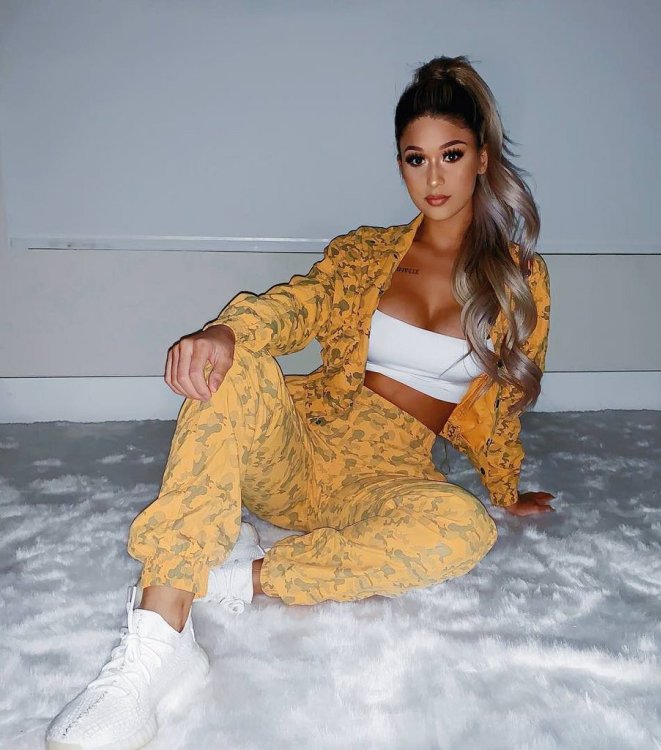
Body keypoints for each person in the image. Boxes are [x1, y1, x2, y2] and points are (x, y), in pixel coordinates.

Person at [45, 54, 554, 750]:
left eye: (451, 155)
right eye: (416, 159)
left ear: (481, 159)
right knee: (237, 367)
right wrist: (228, 332)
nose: (433, 178)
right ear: (400, 164)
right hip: (300, 447)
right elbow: (298, 305)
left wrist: (505, 487)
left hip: (384, 478)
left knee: (463, 529)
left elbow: (504, 404)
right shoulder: (363, 255)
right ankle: (158, 640)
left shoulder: (520, 279)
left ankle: (238, 577)